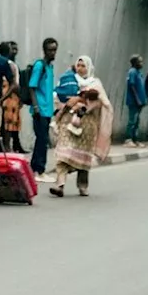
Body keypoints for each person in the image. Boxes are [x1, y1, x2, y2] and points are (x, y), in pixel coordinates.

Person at [49, 56, 113, 198]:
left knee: (83, 159)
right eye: (78, 65)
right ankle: (60, 185)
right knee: (62, 153)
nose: (80, 68)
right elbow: (58, 96)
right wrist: (64, 105)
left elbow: (103, 102)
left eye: (83, 66)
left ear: (89, 68)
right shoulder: (69, 80)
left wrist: (84, 104)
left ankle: (83, 186)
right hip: (68, 122)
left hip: (87, 126)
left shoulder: (95, 84)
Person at [26, 38, 58, 181]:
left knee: (43, 140)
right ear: (44, 50)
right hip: (40, 109)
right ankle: (37, 170)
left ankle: (38, 169)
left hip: (48, 109)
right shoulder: (40, 65)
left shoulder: (49, 67)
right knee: (42, 139)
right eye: (50, 50)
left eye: (55, 49)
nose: (53, 53)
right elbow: (32, 86)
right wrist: (36, 106)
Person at [0, 40, 25, 153]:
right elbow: (15, 84)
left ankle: (2, 148)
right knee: (9, 125)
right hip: (10, 96)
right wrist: (21, 97)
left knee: (1, 124)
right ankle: (7, 148)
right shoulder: (11, 65)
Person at [124, 55, 147, 147]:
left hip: (140, 101)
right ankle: (128, 139)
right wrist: (137, 99)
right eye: (139, 62)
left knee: (137, 121)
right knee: (132, 121)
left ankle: (135, 139)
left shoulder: (139, 72)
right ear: (134, 62)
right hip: (133, 101)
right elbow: (132, 86)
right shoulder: (132, 72)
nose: (141, 64)